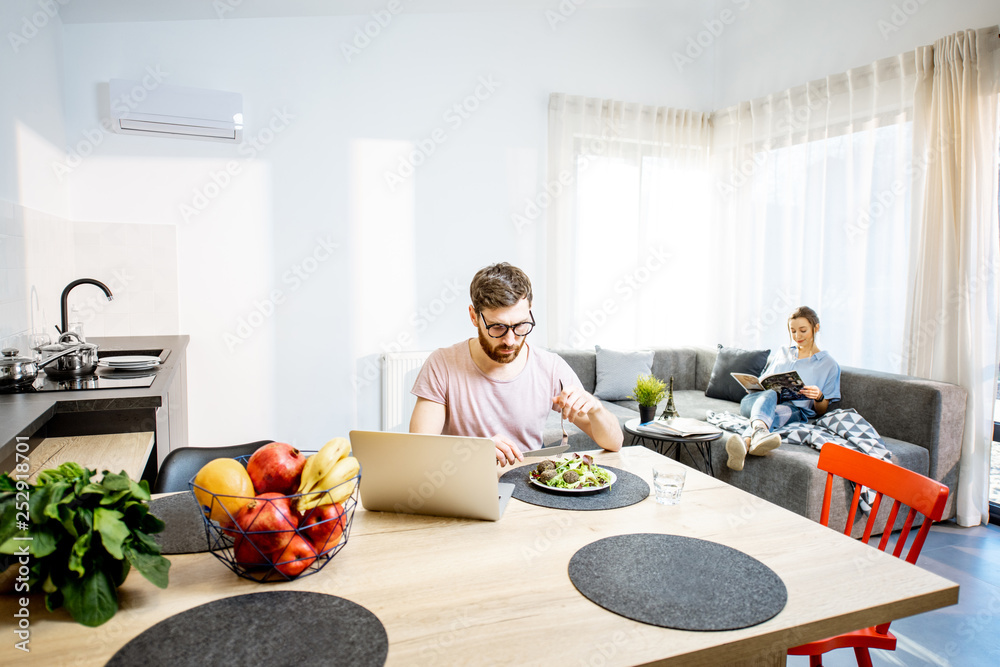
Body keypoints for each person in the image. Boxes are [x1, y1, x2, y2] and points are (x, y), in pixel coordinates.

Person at [409, 262, 624, 466]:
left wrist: (597, 409)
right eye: (497, 327)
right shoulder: (442, 364)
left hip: (531, 484)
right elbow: (418, 451)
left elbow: (614, 443)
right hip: (464, 481)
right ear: (474, 317)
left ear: (530, 310)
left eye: (521, 325)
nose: (510, 340)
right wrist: (474, 450)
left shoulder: (551, 367)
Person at [726, 306, 841, 471]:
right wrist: (753, 387)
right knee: (770, 393)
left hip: (793, 409)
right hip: (756, 402)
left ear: (816, 328)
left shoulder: (829, 364)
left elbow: (821, 411)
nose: (797, 336)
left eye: (802, 330)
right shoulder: (783, 352)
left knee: (773, 415)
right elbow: (765, 381)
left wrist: (819, 396)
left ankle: (745, 443)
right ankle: (759, 433)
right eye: (793, 331)